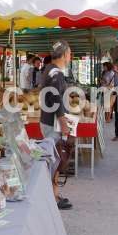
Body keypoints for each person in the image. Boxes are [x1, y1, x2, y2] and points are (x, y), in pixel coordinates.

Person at [39, 40, 72, 210]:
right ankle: (51, 197)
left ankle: (54, 194)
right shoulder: (56, 73)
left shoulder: (48, 70)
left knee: (54, 158)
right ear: (65, 54)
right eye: (70, 53)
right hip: (52, 124)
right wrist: (63, 123)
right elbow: (56, 100)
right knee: (54, 160)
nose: (70, 56)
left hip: (47, 120)